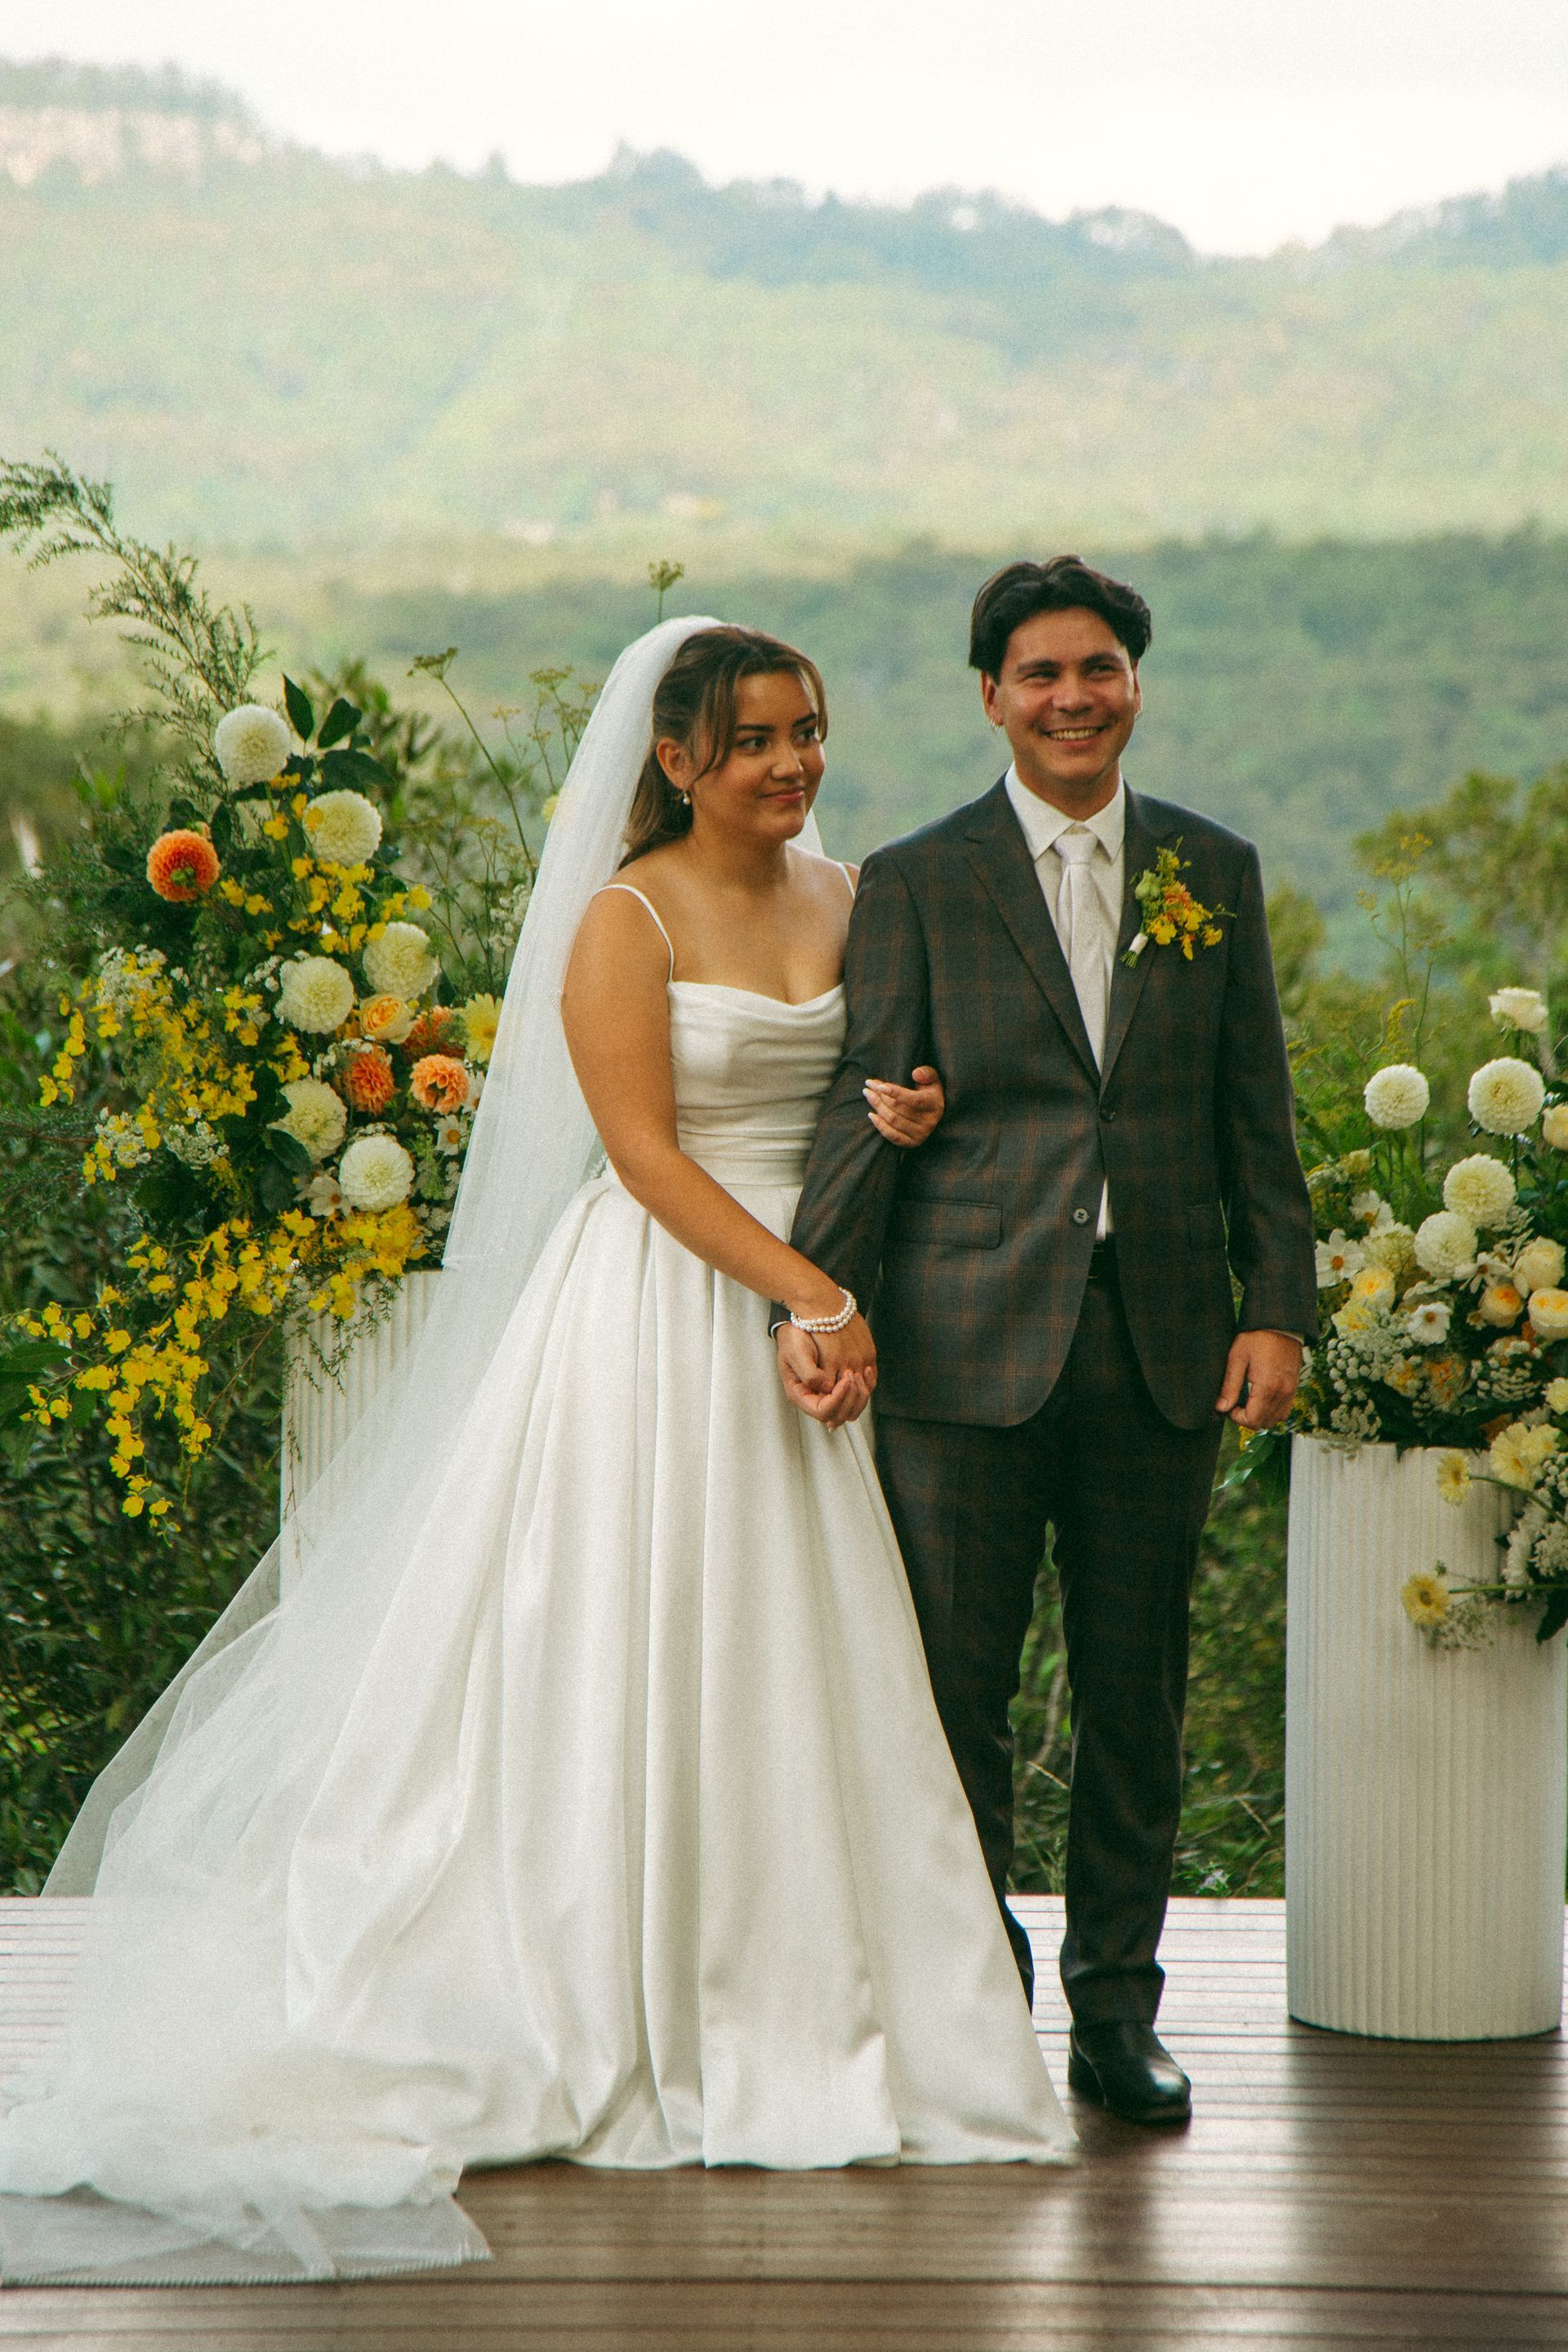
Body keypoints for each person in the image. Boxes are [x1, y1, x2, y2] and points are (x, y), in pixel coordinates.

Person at [0, 618, 1070, 2289]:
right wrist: (808, 1291)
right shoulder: (622, 920)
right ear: (677, 758)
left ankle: (814, 1998)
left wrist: (899, 1127)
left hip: (824, 1312)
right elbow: (643, 1153)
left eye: (811, 732)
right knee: (623, 1651)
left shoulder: (861, 898)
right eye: (760, 739)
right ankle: (592, 1991)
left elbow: (877, 1081)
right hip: (669, 1314)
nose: (794, 763)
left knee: (806, 1670)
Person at [777, 557, 1316, 2127]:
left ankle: (1117, 2016)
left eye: (1099, 669)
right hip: (958, 1351)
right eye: (1039, 675)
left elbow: (1252, 1116)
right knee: (954, 1690)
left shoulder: (1211, 869)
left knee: (1134, 1689)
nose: (1072, 697)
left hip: (1162, 1347)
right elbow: (866, 1113)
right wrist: (820, 1304)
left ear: (1134, 683)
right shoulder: (917, 879)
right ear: (992, 696)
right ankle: (968, 1992)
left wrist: (1275, 1302)